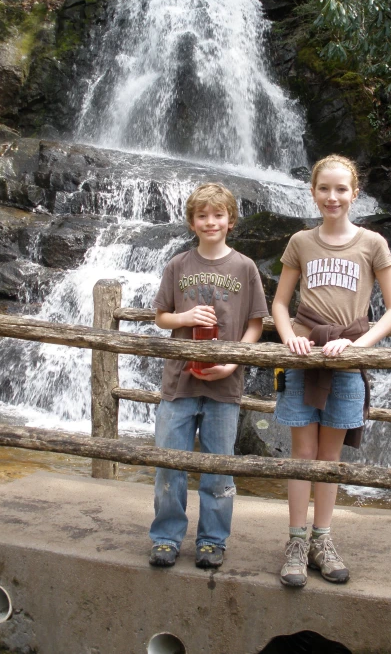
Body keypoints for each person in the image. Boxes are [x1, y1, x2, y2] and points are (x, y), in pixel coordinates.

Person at [272, 154, 391, 587]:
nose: (333, 197)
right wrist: (287, 335)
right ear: (313, 192)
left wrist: (358, 345)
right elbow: (279, 302)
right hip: (305, 354)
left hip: (346, 359)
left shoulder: (372, 243)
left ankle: (321, 540)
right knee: (302, 454)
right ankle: (295, 541)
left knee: (329, 457)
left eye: (341, 189)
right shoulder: (300, 241)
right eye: (324, 189)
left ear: (355, 193)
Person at [149, 183, 268, 570]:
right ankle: (166, 538)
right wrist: (184, 318)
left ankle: (213, 540)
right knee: (170, 463)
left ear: (230, 221)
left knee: (219, 466)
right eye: (203, 216)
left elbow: (255, 324)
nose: (210, 222)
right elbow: (162, 317)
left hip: (225, 386)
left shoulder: (245, 268)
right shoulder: (178, 265)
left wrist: (233, 362)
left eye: (218, 215)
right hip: (179, 383)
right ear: (192, 222)